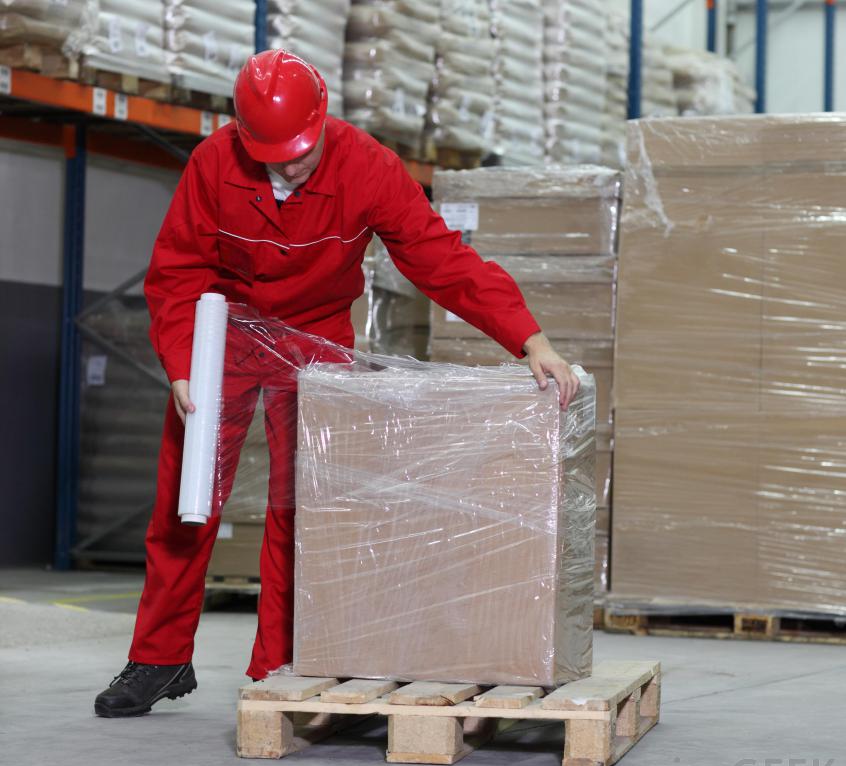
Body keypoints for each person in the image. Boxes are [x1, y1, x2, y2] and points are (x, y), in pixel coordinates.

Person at [94, 50, 580, 718]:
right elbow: (177, 270)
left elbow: (440, 259)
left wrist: (529, 337)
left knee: (305, 506)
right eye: (270, 153)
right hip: (221, 335)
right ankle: (159, 657)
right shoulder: (213, 164)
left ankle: (281, 666)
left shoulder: (370, 166)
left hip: (312, 338)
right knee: (187, 496)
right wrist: (182, 365)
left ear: (323, 121)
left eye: (299, 151)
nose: (289, 165)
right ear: (240, 133)